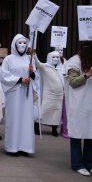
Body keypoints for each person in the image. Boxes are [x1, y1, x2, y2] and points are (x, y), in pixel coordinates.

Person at [1, 34, 39, 156]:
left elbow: (36, 77)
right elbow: (4, 76)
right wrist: (19, 79)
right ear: (14, 44)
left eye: (24, 43)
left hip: (26, 96)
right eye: (19, 43)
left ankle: (25, 147)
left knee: (26, 120)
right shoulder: (8, 59)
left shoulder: (30, 59)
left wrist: (32, 73)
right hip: (14, 94)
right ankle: (12, 147)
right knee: (14, 119)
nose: (22, 45)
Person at [65, 41, 92, 176]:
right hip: (78, 104)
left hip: (90, 105)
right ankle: (77, 164)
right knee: (77, 134)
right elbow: (73, 82)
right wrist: (87, 75)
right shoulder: (74, 61)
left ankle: (89, 163)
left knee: (90, 134)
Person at [33, 51, 64, 137]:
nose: (56, 59)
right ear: (49, 58)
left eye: (57, 57)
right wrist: (34, 55)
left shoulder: (61, 69)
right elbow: (38, 64)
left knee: (57, 113)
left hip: (60, 95)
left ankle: (54, 129)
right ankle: (36, 125)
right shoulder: (45, 67)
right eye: (53, 57)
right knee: (44, 110)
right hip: (49, 94)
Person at [55, 46, 69, 138]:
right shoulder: (54, 60)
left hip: (65, 88)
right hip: (56, 88)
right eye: (58, 50)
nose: (60, 52)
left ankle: (64, 129)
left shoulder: (66, 61)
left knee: (64, 110)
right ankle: (54, 127)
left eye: (61, 50)